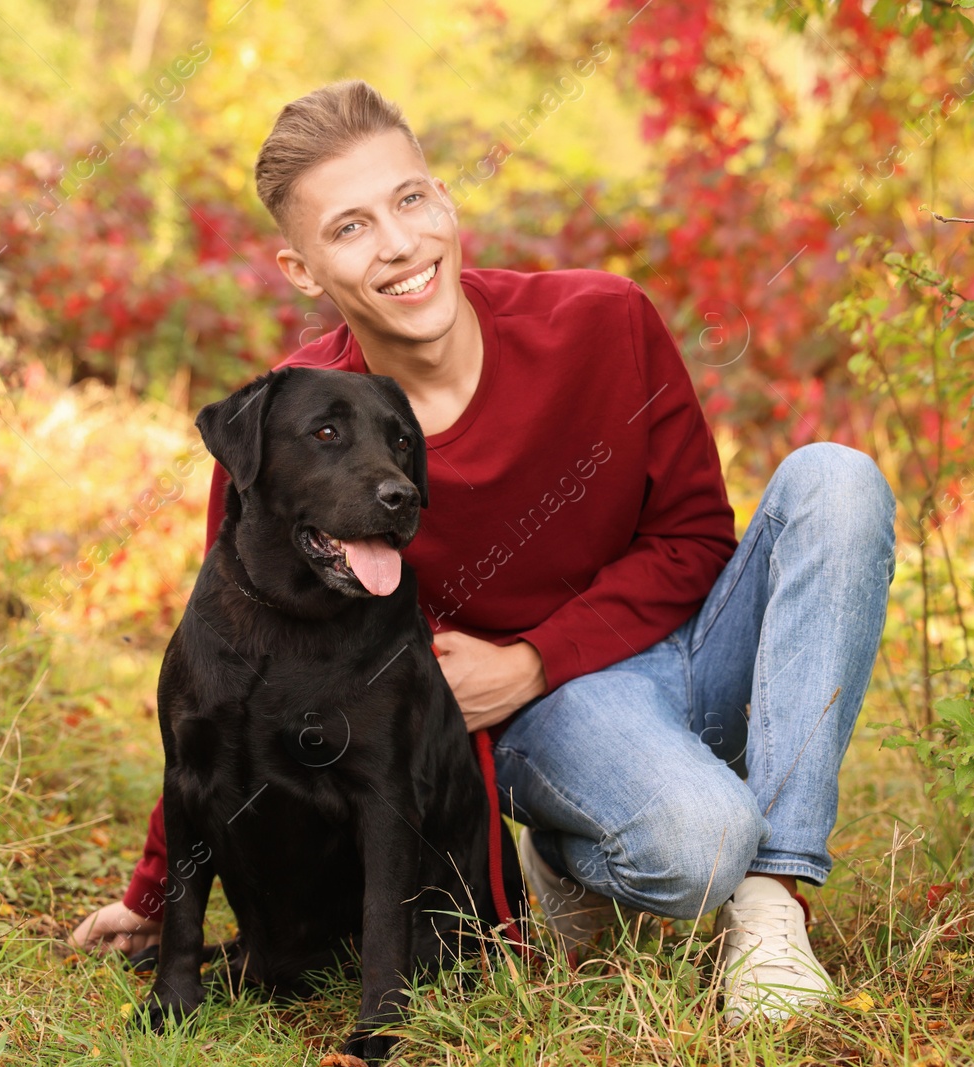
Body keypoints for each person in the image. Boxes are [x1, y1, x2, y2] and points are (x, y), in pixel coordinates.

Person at [69, 79, 895, 1023]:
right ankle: (569, 838)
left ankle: (775, 901)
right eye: (350, 228)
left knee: (837, 479)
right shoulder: (292, 431)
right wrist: (150, 891)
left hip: (667, 649)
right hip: (552, 722)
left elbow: (699, 537)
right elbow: (232, 682)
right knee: (697, 841)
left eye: (410, 199)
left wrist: (534, 656)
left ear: (446, 200)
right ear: (301, 270)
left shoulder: (604, 321)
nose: (399, 245)